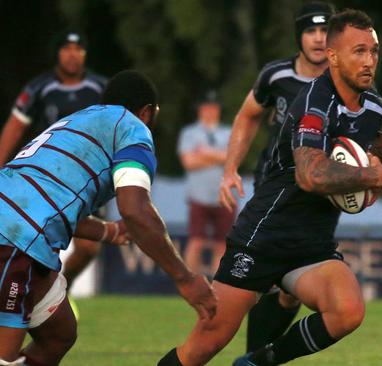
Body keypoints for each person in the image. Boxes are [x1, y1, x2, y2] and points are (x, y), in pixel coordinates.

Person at [158, 9, 382, 366]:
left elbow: (380, 129)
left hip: (313, 242)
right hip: (264, 235)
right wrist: (372, 177)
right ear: (334, 56)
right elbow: (308, 175)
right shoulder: (313, 101)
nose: (369, 60)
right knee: (208, 340)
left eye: (374, 51)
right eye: (359, 51)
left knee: (347, 312)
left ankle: (258, 362)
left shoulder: (371, 101)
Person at [0, 70, 217, 365]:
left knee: (59, 332)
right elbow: (134, 209)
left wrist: (108, 232)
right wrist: (185, 279)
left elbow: (43, 199)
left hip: (15, 223)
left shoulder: (77, 120)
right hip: (15, 242)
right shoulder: (133, 128)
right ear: (147, 112)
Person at [218, 1, 334, 353]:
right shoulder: (277, 75)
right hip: (273, 188)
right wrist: (230, 169)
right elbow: (248, 115)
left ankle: (258, 357)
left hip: (321, 198)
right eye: (310, 31)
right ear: (298, 35)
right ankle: (253, 357)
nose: (318, 38)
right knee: (266, 282)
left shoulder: (343, 80)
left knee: (289, 294)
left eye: (325, 31)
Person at [0, 29, 108, 307]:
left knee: (88, 247)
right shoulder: (40, 87)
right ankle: (33, 296)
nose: (73, 55)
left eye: (78, 49)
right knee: (39, 240)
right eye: (67, 49)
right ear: (58, 53)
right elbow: (14, 129)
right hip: (47, 179)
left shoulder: (100, 88)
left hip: (86, 180)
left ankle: (59, 291)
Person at [178, 90, 233, 275]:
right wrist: (219, 156)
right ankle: (191, 281)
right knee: (197, 240)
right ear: (200, 110)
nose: (210, 111)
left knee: (222, 242)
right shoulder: (189, 133)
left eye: (213, 108)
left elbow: (232, 158)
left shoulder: (228, 132)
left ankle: (218, 284)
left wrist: (205, 153)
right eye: (207, 108)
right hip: (198, 194)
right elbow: (189, 162)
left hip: (224, 195)